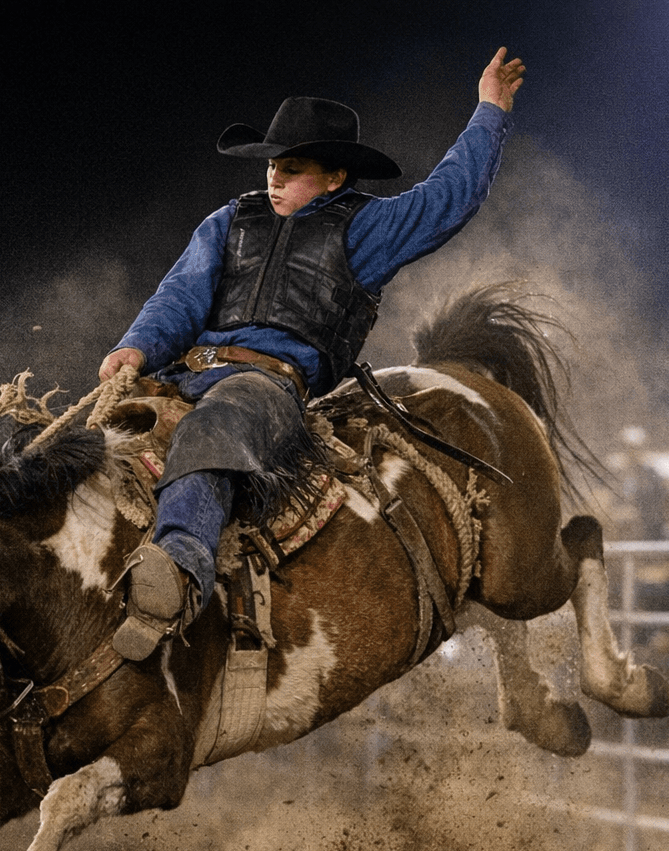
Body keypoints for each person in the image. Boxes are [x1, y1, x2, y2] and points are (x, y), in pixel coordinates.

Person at [96, 47, 526, 660]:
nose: (273, 177)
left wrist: (489, 111)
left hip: (267, 389)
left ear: (335, 177)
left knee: (216, 427)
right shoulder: (228, 222)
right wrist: (135, 347)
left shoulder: (364, 229)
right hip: (183, 374)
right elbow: (179, 296)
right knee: (72, 442)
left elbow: (450, 196)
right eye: (273, 164)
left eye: (292, 167)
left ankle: (179, 574)